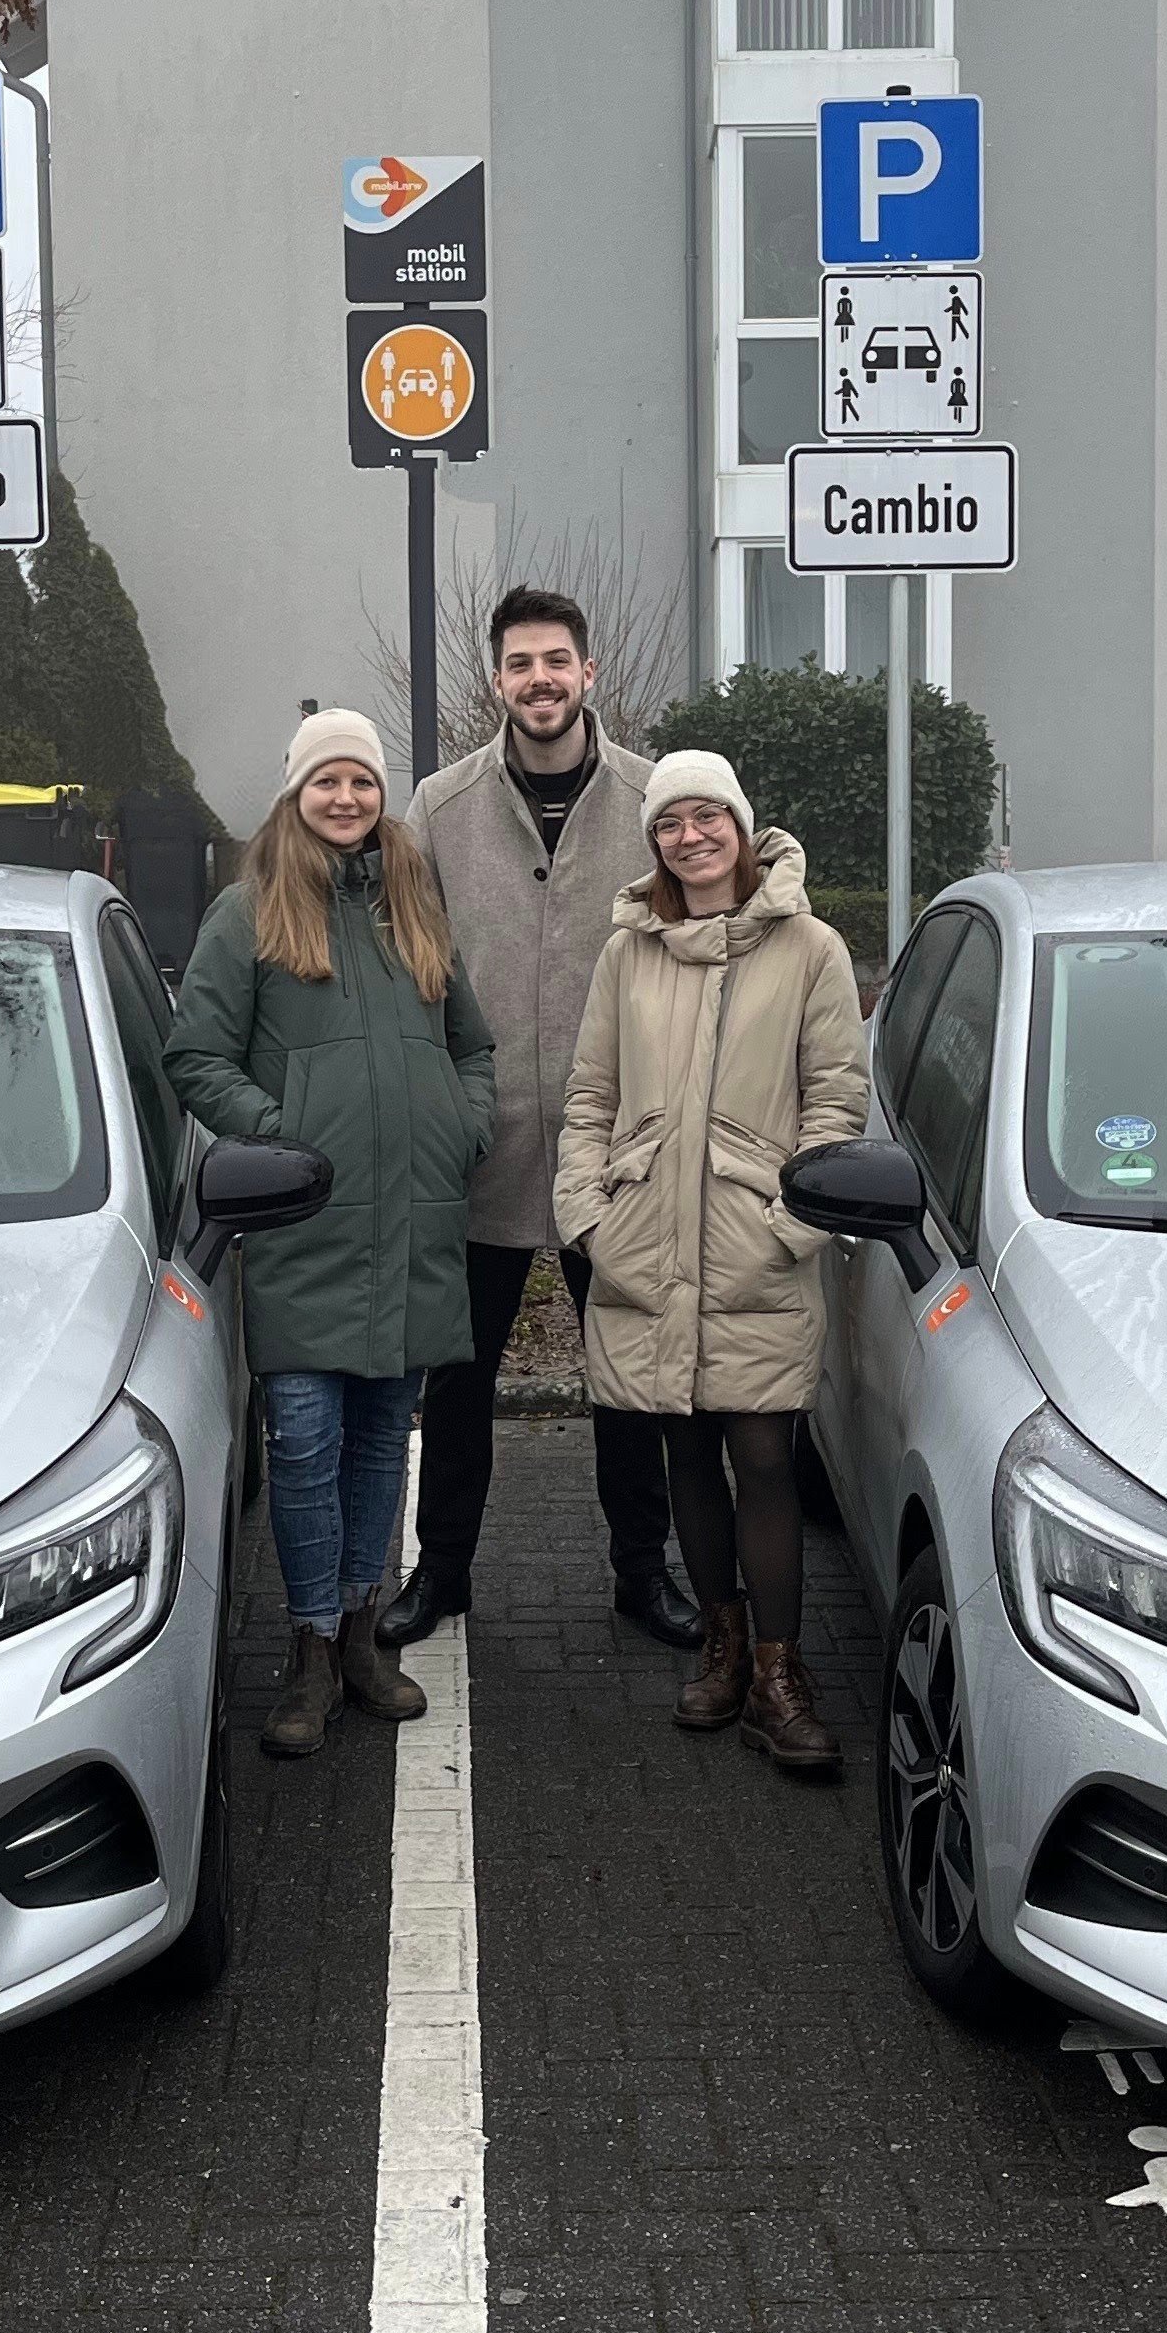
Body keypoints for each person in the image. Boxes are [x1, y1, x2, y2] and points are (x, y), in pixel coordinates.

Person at [165, 709, 499, 1757]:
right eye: (327, 782)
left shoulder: (415, 904)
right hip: (307, 1222)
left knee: (375, 1448)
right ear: (296, 792)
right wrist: (283, 1137)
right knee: (302, 1444)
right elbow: (196, 1058)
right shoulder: (248, 910)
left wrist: (460, 1127)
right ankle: (310, 1651)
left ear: (379, 792)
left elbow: (473, 1047)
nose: (347, 798)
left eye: (362, 781)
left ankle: (363, 1635)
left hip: (412, 1223)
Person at [393, 588, 699, 1653]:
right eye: (520, 663)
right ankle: (441, 1573)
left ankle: (641, 1573)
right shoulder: (438, 806)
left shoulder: (656, 798)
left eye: (556, 660)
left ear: (590, 672)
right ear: (496, 681)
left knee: (624, 1378)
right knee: (460, 1378)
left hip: (617, 1152)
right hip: (479, 1146)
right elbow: (408, 966)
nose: (540, 679)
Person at [555, 749, 870, 1773]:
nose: (690, 836)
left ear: (740, 822)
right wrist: (589, 1219)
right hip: (645, 1243)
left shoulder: (811, 948)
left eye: (707, 817)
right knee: (684, 1452)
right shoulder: (627, 953)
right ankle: (724, 1646)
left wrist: (794, 1223)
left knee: (766, 1457)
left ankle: (780, 1674)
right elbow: (591, 1097)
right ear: (654, 841)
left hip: (756, 1248)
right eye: (669, 823)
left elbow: (835, 1102)